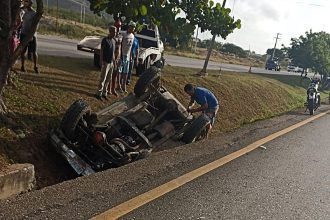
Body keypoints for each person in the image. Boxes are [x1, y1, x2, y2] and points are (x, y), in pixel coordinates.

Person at [95, 25, 117, 100]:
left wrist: (114, 61)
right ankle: (99, 93)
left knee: (108, 79)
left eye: (116, 32)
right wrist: (101, 61)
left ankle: (105, 93)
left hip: (111, 63)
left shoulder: (114, 41)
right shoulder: (105, 40)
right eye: (114, 32)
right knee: (103, 78)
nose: (115, 33)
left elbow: (113, 52)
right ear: (110, 32)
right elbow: (102, 51)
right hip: (105, 62)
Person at [20, 0, 39, 74]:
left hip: (32, 35)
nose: (25, 3)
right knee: (23, 51)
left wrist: (31, 35)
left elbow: (35, 26)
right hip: (23, 33)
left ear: (30, 4)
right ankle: (23, 66)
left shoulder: (34, 13)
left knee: (34, 51)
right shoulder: (24, 12)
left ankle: (35, 66)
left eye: (26, 2)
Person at [119, 21, 136, 93]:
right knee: (120, 71)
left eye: (134, 28)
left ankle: (123, 85)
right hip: (122, 55)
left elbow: (131, 47)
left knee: (126, 72)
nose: (133, 29)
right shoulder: (123, 34)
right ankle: (118, 85)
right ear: (129, 27)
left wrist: (131, 56)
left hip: (128, 56)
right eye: (132, 27)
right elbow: (119, 45)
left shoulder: (132, 36)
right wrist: (119, 55)